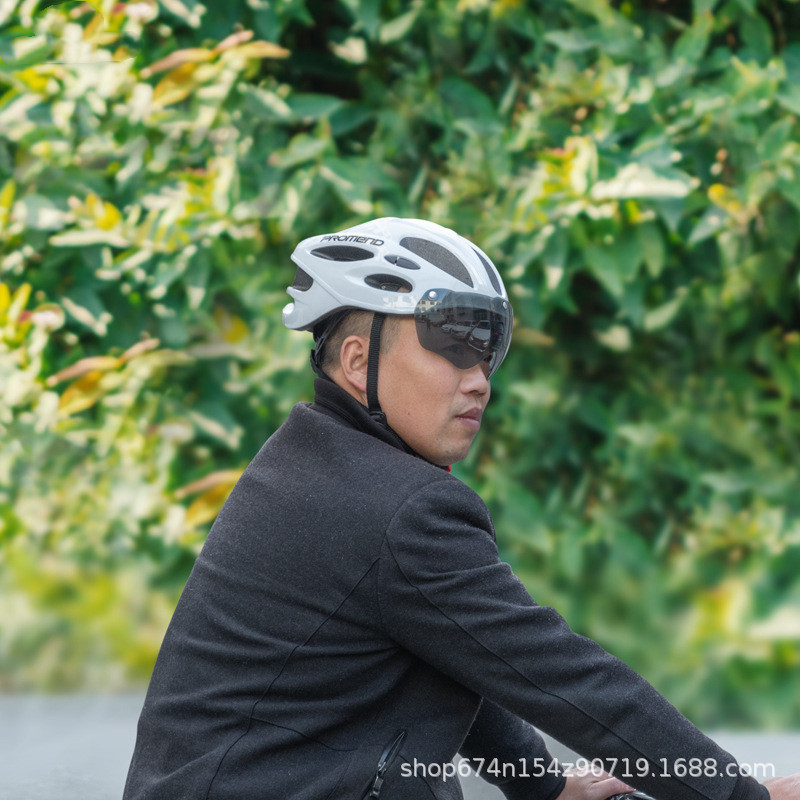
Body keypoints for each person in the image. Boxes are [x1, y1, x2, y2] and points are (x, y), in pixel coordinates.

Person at [123, 218, 799, 800]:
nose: (478, 378)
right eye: (451, 344)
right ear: (358, 361)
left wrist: (543, 785)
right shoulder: (395, 507)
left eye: (488, 351)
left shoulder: (319, 466)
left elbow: (455, 650)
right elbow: (564, 676)